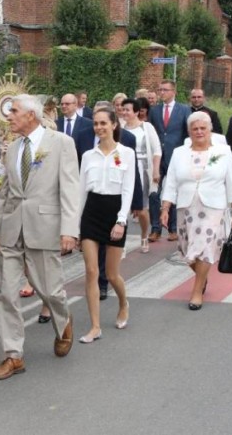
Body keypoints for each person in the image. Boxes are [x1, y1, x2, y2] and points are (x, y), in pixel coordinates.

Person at [0, 94, 79, 380]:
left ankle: (63, 321)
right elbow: (5, 192)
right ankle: (12, 355)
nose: (10, 116)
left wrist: (69, 229)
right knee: (6, 293)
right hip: (13, 229)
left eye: (14, 111)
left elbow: (70, 188)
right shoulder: (12, 148)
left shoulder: (60, 143)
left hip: (45, 226)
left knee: (50, 290)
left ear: (31, 115)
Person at [161, 112, 232, 310]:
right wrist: (165, 207)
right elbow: (171, 180)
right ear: (189, 131)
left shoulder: (223, 151)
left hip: (213, 207)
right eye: (195, 129)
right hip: (186, 206)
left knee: (204, 247)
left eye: (202, 128)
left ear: (210, 130)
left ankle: (197, 292)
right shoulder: (179, 152)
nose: (199, 132)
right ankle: (201, 275)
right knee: (186, 250)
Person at [78, 107, 134, 342]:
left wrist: (121, 220)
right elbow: (81, 191)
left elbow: (128, 189)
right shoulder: (88, 156)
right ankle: (95, 327)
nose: (99, 127)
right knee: (91, 272)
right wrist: (76, 225)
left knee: (111, 274)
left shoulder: (127, 153)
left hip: (114, 212)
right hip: (91, 211)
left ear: (114, 125)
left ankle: (123, 302)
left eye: (104, 123)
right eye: (96, 124)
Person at [148, 79, 191, 242]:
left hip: (176, 157)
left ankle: (173, 228)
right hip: (157, 157)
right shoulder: (154, 110)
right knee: (154, 194)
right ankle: (155, 228)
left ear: (174, 91)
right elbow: (151, 133)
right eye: (160, 90)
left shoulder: (184, 110)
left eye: (165, 90)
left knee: (174, 192)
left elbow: (187, 133)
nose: (162, 92)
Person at [121, 98, 162, 253]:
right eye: (123, 109)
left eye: (128, 110)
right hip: (124, 168)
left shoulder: (146, 127)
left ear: (136, 112)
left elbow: (157, 150)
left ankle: (144, 234)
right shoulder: (119, 127)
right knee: (122, 207)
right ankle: (121, 243)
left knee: (142, 208)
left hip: (142, 169)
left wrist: (155, 170)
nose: (124, 112)